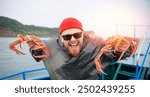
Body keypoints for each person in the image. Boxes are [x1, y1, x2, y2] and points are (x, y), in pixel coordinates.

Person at [9, 17, 139, 80]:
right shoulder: (49, 45)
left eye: (77, 35)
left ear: (83, 34)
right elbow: (37, 54)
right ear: (60, 37)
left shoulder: (98, 43)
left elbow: (116, 54)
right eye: (67, 37)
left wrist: (124, 48)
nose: (72, 39)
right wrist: (34, 48)